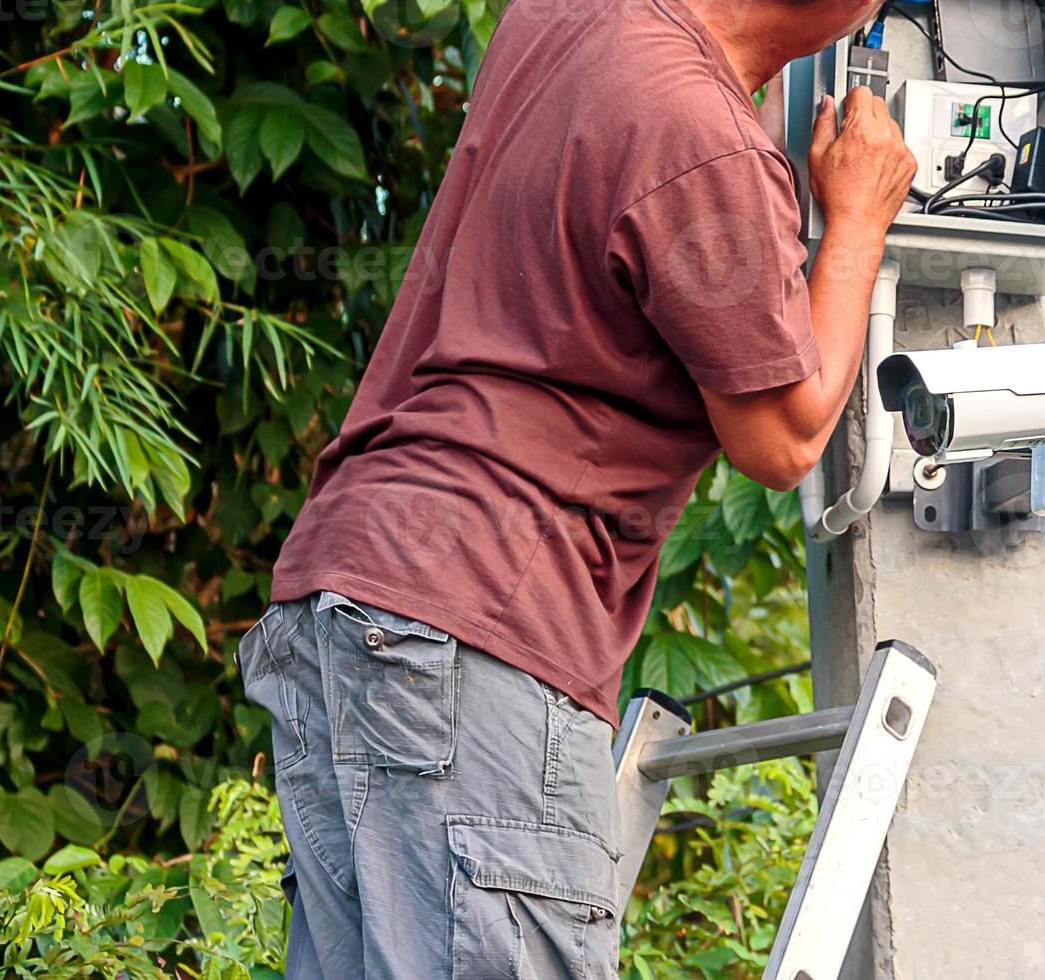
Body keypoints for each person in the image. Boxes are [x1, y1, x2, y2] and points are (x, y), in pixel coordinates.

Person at [233, 0, 915, 972]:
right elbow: (783, 432)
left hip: (353, 582)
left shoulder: (565, 14)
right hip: (479, 614)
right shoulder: (701, 137)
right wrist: (855, 221)